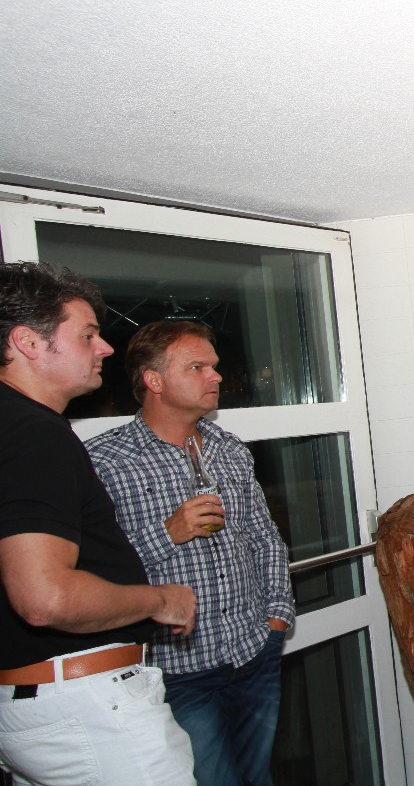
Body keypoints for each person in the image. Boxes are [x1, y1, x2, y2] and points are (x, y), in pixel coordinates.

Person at [0, 262, 197, 786]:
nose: (106, 348)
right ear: (28, 342)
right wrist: (159, 599)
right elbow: (44, 599)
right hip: (88, 711)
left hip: (37, 707)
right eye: (87, 334)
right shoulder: (33, 434)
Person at [86, 321, 295, 786]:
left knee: (257, 777)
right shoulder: (104, 463)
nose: (215, 376)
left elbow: (264, 538)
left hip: (252, 651)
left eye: (213, 366)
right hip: (177, 669)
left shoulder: (228, 448)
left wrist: (276, 618)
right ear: (154, 380)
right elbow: (92, 576)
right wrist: (169, 533)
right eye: (197, 367)